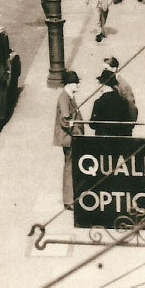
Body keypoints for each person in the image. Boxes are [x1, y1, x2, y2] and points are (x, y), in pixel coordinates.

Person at [53, 69, 82, 210]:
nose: (78, 86)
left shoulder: (69, 95)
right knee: (70, 168)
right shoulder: (64, 98)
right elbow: (65, 120)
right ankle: (69, 200)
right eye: (76, 83)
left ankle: (71, 198)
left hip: (71, 138)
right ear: (70, 84)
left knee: (71, 167)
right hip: (69, 139)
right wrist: (76, 131)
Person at [89, 68, 135, 136]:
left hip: (104, 141)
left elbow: (93, 124)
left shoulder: (99, 102)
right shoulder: (123, 101)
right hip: (120, 140)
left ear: (103, 85)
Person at [102, 57, 138, 123]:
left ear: (114, 69)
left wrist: (129, 125)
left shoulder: (123, 85)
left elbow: (131, 106)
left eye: (106, 69)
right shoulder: (107, 83)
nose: (104, 71)